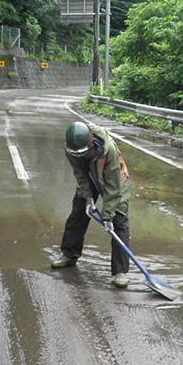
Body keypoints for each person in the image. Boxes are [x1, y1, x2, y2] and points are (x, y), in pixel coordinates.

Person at [51, 121, 132, 288]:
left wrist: (108, 215)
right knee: (78, 214)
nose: (78, 155)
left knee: (119, 221)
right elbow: (79, 173)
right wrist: (88, 197)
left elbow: (113, 187)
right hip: (89, 177)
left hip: (115, 181)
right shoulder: (71, 148)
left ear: (90, 142)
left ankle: (120, 271)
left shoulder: (107, 150)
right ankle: (69, 255)